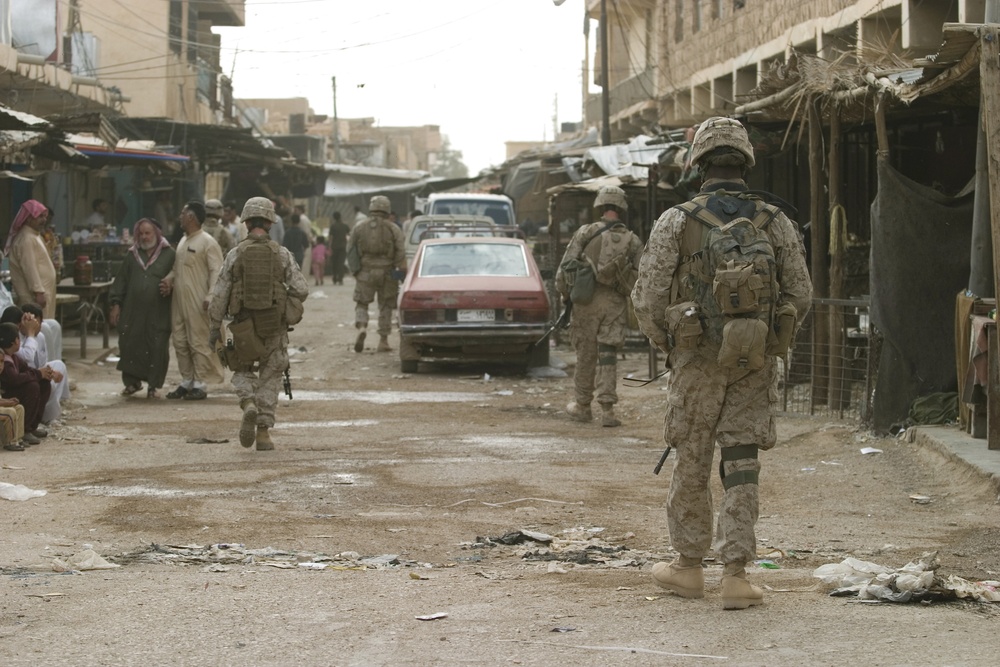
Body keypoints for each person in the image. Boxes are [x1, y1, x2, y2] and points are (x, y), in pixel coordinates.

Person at [631, 117, 813, 610]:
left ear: (699, 164)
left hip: (694, 361)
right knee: (741, 462)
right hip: (752, 361)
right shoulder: (776, 222)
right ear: (745, 162)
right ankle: (736, 575)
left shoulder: (676, 220)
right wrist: (768, 339)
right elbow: (801, 293)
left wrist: (671, 346)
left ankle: (687, 569)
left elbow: (647, 299)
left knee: (692, 457)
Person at [208, 197, 308, 451]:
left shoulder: (235, 254)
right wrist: (286, 307)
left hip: (243, 326)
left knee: (241, 370)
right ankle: (263, 434)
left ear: (247, 222)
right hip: (274, 326)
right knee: (271, 375)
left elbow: (219, 294)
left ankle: (248, 403)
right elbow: (301, 288)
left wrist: (214, 327)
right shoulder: (282, 254)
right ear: (270, 223)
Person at [555, 185, 642, 428]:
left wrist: (564, 296)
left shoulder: (586, 232)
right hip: (614, 302)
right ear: (621, 208)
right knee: (608, 355)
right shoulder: (632, 240)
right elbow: (643, 274)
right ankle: (608, 411)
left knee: (586, 354)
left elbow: (565, 268)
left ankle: (582, 406)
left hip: (586, 301)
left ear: (600, 206)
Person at [161, 201, 225, 400]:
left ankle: (200, 382)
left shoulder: (207, 242)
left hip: (199, 301)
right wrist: (169, 279)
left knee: (198, 341)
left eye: (182, 213)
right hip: (179, 301)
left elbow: (218, 271)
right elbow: (176, 268)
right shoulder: (182, 241)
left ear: (191, 217)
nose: (179, 217)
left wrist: (211, 296)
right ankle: (186, 380)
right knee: (180, 340)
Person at [109, 218, 176, 398]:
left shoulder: (169, 254)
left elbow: (178, 275)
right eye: (141, 233)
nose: (144, 237)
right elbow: (121, 281)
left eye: (148, 233)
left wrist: (171, 283)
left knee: (157, 346)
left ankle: (153, 386)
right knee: (129, 344)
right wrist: (116, 305)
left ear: (156, 234)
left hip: (158, 312)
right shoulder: (132, 255)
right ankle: (132, 383)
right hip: (133, 311)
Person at [346, 195, 406, 353]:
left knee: (362, 303)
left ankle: (362, 327)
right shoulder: (393, 228)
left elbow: (350, 249)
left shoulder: (359, 227)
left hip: (365, 271)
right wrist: (399, 273)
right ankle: (383, 340)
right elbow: (400, 252)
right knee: (386, 305)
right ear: (387, 209)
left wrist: (356, 270)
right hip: (388, 272)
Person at [1, 304, 69, 424]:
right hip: (8, 390)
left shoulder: (15, 352)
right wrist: (30, 333)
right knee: (33, 386)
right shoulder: (8, 347)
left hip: (24, 377)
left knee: (49, 377)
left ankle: (36, 424)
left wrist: (46, 373)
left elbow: (27, 367)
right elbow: (18, 372)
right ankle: (28, 427)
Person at [0, 322, 53, 445]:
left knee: (43, 383)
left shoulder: (14, 357)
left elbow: (27, 370)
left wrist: (43, 374)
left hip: (14, 390)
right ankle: (25, 429)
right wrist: (38, 374)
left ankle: (32, 426)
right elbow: (14, 379)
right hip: (6, 393)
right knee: (32, 387)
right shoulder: (5, 360)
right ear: (15, 341)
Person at [6, 199, 58, 320]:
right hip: (34, 298)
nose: (44, 220)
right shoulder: (26, 239)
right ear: (29, 218)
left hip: (44, 294)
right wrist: (38, 292)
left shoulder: (34, 235)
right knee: (36, 330)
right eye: (40, 217)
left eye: (45, 217)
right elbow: (30, 268)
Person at [327, 212, 350, 285]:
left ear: (334, 218)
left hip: (335, 247)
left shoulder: (333, 226)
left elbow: (330, 237)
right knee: (341, 263)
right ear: (340, 217)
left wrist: (329, 246)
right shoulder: (345, 226)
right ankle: (340, 279)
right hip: (343, 246)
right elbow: (349, 234)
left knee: (334, 263)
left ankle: (334, 278)